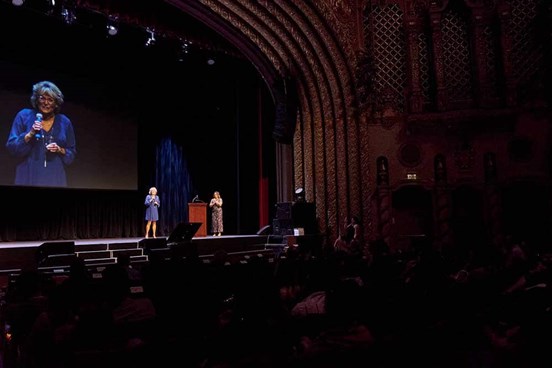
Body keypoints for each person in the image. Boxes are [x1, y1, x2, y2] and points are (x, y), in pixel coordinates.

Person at [6, 80, 76, 187]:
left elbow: (71, 154)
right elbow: (11, 148)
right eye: (42, 98)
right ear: (36, 100)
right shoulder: (24, 115)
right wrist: (30, 134)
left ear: (56, 104)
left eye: (50, 100)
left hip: (55, 177)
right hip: (28, 176)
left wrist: (59, 149)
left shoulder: (64, 122)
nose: (46, 103)